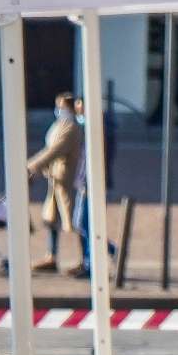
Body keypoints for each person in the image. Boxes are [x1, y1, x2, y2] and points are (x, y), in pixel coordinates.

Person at [26, 91, 83, 272]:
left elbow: (56, 150)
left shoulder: (71, 127)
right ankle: (51, 256)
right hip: (55, 178)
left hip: (66, 179)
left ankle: (99, 255)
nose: (58, 110)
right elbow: (49, 148)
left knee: (76, 222)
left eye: (61, 107)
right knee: (50, 218)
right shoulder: (60, 124)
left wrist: (31, 165)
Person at [69, 95, 118, 280]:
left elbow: (98, 158)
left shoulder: (99, 128)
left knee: (85, 223)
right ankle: (94, 259)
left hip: (92, 184)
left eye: (79, 104)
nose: (77, 108)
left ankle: (98, 259)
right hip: (85, 182)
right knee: (82, 223)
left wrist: (90, 182)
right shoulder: (90, 126)